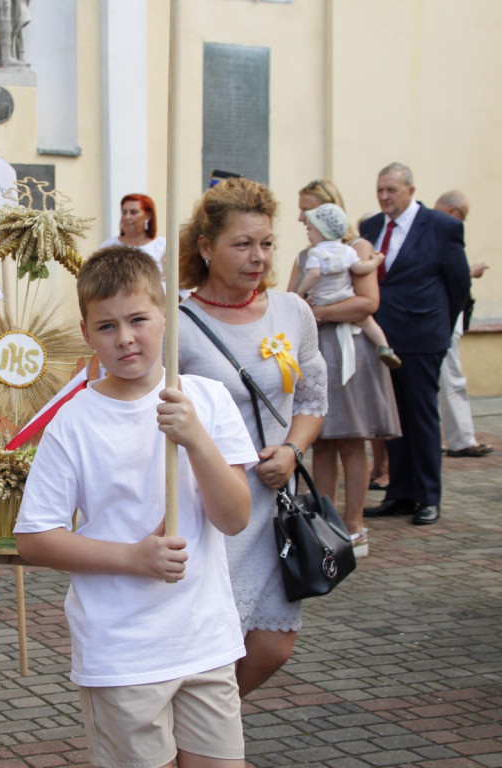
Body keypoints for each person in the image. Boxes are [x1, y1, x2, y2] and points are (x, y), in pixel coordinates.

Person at [14, 245, 256, 768]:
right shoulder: (73, 422)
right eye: (106, 327)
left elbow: (235, 518)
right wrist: (133, 558)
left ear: (164, 316)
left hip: (206, 641)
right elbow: (34, 538)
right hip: (123, 652)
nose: (124, 338)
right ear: (86, 334)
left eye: (138, 319)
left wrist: (195, 440)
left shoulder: (206, 400)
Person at [177, 177, 327, 697]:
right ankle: (201, 739)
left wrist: (293, 449)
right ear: (206, 247)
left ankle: (205, 731)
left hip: (275, 504)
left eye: (265, 243)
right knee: (210, 645)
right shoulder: (176, 320)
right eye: (242, 244)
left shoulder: (293, 312)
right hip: (210, 508)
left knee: (271, 647)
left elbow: (311, 399)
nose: (257, 256)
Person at [291, 180, 401, 559]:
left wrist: (318, 313)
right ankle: (326, 522)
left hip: (351, 349)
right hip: (317, 350)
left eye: (306, 209)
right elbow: (293, 302)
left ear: (327, 209)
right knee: (321, 441)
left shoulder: (358, 249)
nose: (299, 216)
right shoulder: (306, 255)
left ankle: (355, 526)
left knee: (352, 440)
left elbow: (366, 303)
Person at [361, 163, 471, 526]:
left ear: (410, 189)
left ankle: (428, 496)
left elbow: (458, 286)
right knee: (393, 419)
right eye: (380, 190)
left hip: (423, 336)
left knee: (421, 418)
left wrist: (439, 325)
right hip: (383, 339)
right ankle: (400, 493)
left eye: (391, 189)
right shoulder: (371, 227)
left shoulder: (442, 227)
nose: (384, 196)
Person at [294, 202, 401, 369]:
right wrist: (376, 261)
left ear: (321, 232)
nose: (308, 234)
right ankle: (384, 347)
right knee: (367, 322)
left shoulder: (316, 253)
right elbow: (360, 268)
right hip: (345, 298)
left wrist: (300, 293)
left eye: (310, 229)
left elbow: (314, 274)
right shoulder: (347, 251)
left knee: (309, 325)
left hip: (322, 300)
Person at [434, 190, 493, 458]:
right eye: (464, 216)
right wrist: (471, 272)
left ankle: (460, 438)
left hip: (439, 315)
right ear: (453, 211)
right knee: (452, 377)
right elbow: (444, 273)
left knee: (447, 379)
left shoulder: (429, 227)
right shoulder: (442, 229)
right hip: (442, 315)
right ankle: (461, 440)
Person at [99, 193, 168, 278]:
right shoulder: (109, 246)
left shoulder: (164, 246)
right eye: (124, 212)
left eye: (133, 212)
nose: (127, 217)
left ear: (148, 215)